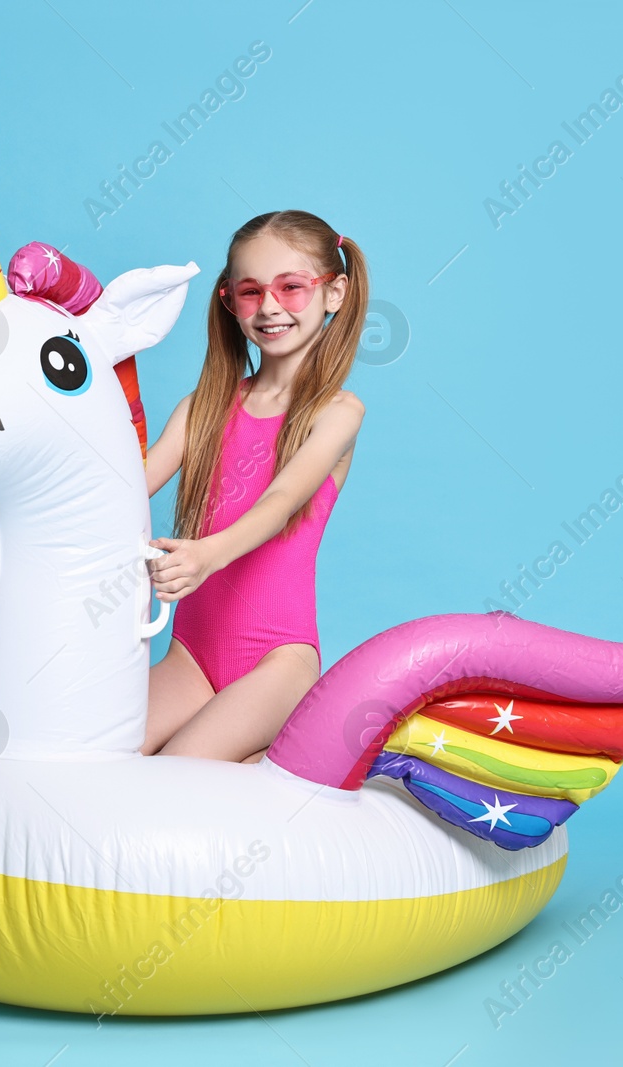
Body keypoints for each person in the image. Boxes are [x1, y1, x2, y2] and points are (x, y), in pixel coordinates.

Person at [142, 210, 368, 763]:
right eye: (250, 291)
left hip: (278, 663)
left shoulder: (337, 413)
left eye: (291, 288)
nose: (269, 307)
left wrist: (207, 554)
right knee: (102, 746)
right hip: (192, 655)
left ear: (334, 291)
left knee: (178, 768)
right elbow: (127, 488)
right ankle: (254, 761)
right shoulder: (201, 409)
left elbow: (281, 500)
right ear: (228, 301)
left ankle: (265, 760)